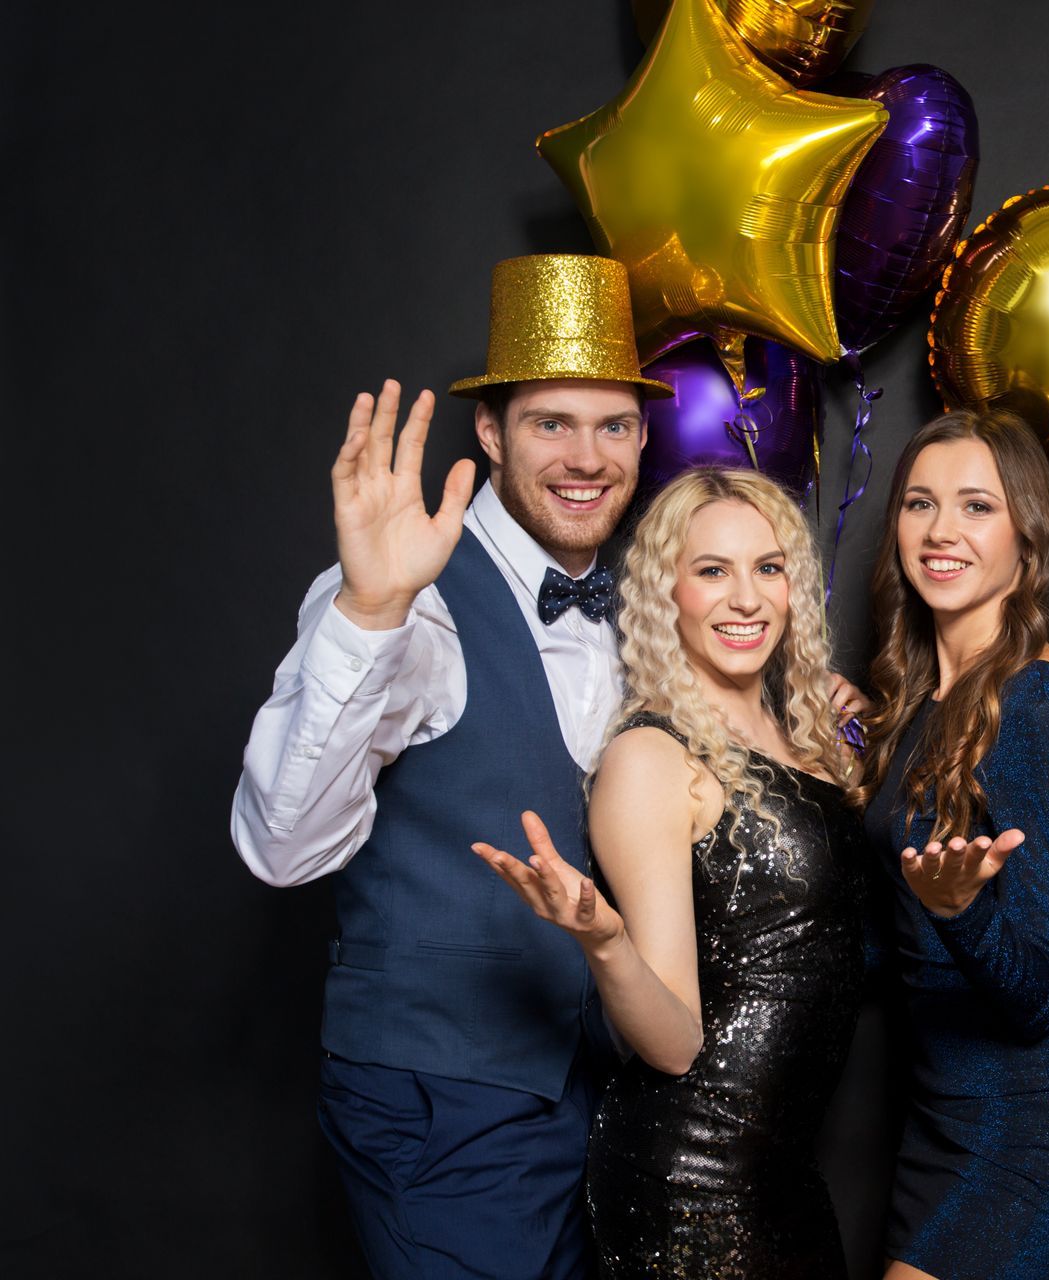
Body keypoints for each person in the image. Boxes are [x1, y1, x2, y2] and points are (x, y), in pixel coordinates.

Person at [230, 254, 674, 1277]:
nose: (586, 455)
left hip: (600, 1108)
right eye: (549, 422)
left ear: (645, 437)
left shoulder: (640, 611)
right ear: (489, 431)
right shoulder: (408, 598)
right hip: (443, 1106)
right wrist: (371, 609)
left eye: (613, 424)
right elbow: (280, 844)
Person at [473, 467, 866, 1279]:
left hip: (784, 1169)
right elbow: (676, 1044)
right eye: (712, 571)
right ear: (667, 593)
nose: (746, 598)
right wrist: (607, 943)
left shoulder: (810, 740)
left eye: (769, 567)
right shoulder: (652, 758)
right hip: (696, 1178)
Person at [855, 408, 1049, 1280]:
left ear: (1029, 537)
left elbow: (1040, 993)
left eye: (977, 506)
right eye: (919, 503)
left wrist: (960, 911)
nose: (941, 531)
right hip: (938, 1119)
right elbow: (883, 945)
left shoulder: (1039, 707)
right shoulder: (919, 705)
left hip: (1034, 1127)